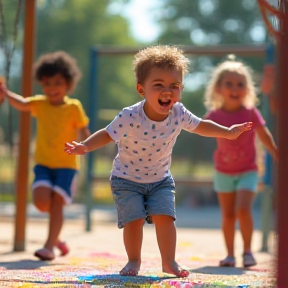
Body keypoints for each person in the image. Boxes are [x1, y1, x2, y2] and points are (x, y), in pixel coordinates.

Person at [65, 45, 252, 278]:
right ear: (141, 89)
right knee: (134, 221)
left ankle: (169, 261)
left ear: (181, 89)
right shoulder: (130, 115)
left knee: (165, 218)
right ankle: (133, 260)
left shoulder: (179, 113)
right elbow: (107, 133)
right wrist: (85, 146)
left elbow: (201, 125)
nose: (167, 91)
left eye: (174, 86)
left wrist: (227, 131)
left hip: (160, 179)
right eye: (158, 85)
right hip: (126, 179)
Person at [0, 51, 90, 260]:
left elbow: (84, 131)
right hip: (43, 163)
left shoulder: (73, 107)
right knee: (41, 203)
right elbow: (22, 103)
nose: (52, 88)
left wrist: (85, 145)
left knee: (57, 204)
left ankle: (49, 247)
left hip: (67, 165)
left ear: (68, 84)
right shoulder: (40, 104)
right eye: (47, 83)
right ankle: (56, 237)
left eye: (58, 82)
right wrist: (6, 93)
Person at [203, 55, 278, 268]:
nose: (234, 88)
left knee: (243, 210)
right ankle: (229, 254)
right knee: (228, 214)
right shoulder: (215, 114)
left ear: (247, 89)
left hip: (248, 170)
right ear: (218, 88)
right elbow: (200, 128)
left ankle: (247, 251)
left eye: (240, 84)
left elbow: (263, 134)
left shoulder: (250, 112)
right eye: (229, 84)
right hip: (223, 171)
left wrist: (275, 151)